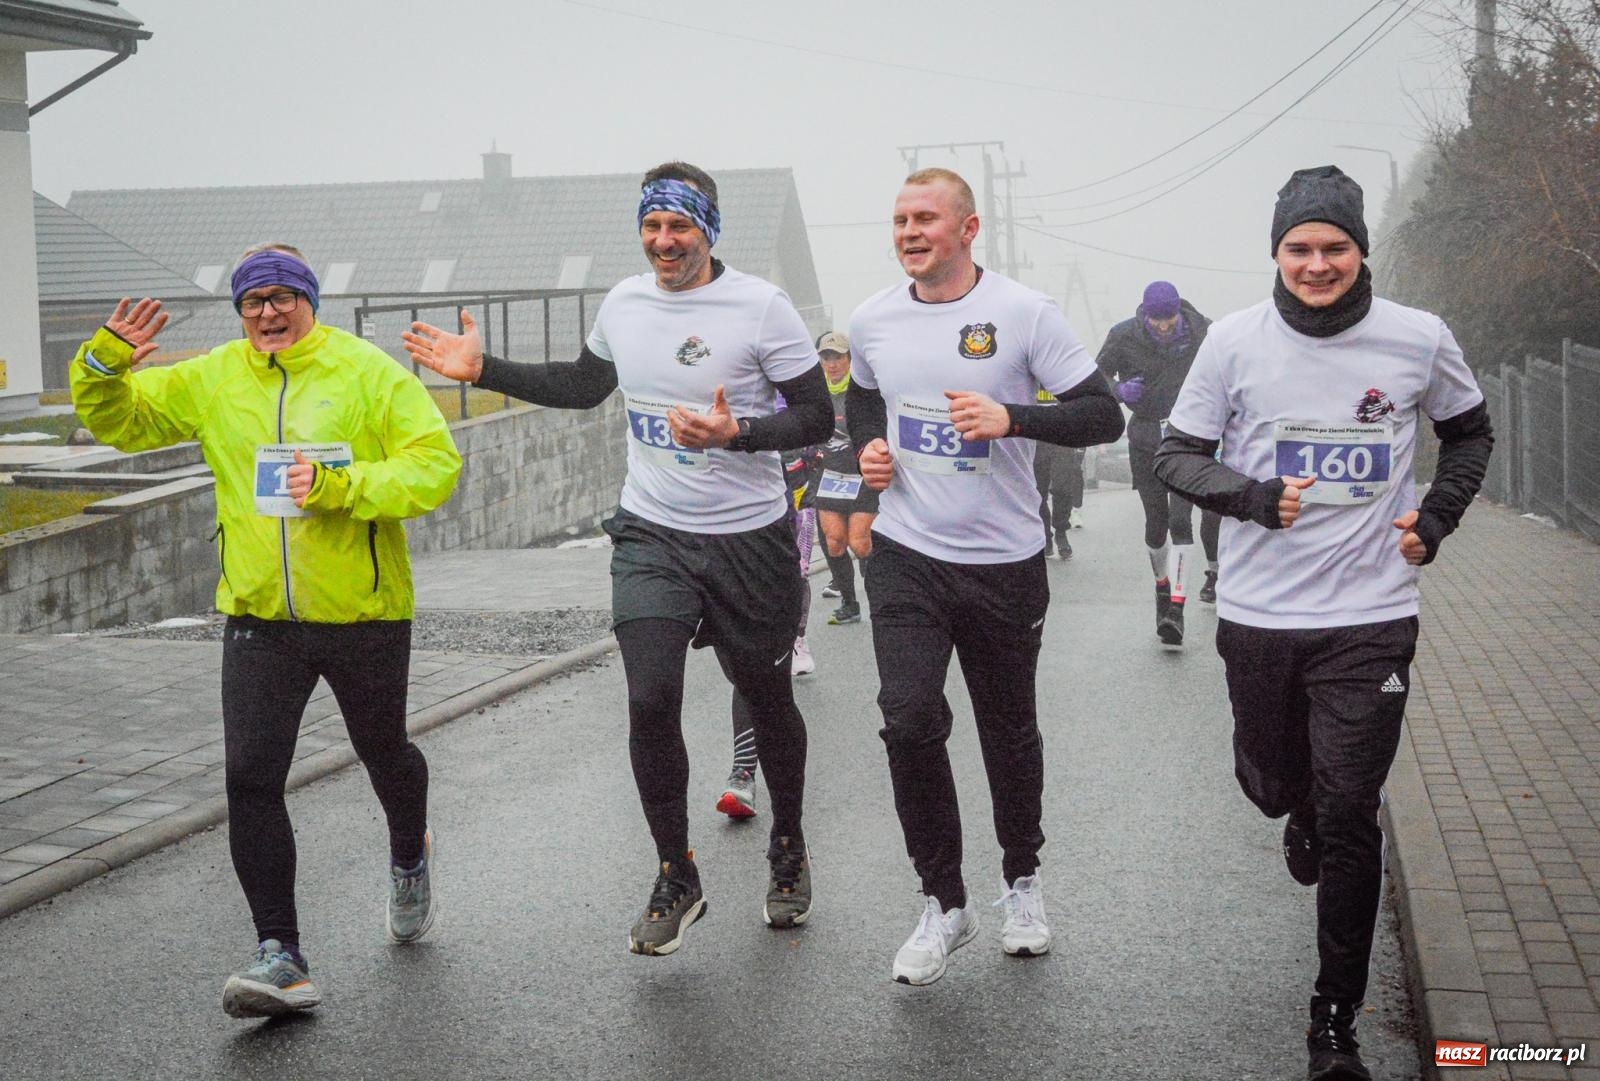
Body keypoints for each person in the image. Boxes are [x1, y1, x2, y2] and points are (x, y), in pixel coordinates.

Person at [402, 162, 832, 952]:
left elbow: (816, 415)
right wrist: (483, 369)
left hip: (750, 539)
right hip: (653, 534)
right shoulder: (625, 302)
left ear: (709, 230)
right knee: (649, 697)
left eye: (679, 227)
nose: (664, 242)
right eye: (651, 227)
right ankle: (677, 872)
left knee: (768, 699)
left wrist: (739, 432)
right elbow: (582, 384)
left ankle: (790, 844)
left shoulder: (761, 308)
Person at [1154, 165, 1493, 1081]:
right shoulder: (1231, 342)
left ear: (1360, 251)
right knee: (1273, 784)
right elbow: (1176, 457)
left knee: (1353, 812)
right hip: (1261, 615)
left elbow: (1470, 433)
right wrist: (1255, 496)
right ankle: (1294, 802)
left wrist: (1434, 521)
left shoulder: (1417, 338)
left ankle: (1334, 1018)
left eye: (1334, 247)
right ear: (1277, 252)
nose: (1316, 264)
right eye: (1299, 248)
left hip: (1371, 614)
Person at [69, 245, 462, 1019]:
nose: (268, 313)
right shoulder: (215, 376)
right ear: (240, 312)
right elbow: (120, 421)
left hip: (362, 612)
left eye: (283, 297)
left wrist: (344, 486)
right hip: (258, 616)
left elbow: (436, 465)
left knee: (384, 751)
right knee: (250, 776)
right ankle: (279, 952)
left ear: (310, 302)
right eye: (253, 302)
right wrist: (102, 362)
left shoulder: (367, 371)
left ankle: (409, 850)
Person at [847, 168, 1124, 985]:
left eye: (925, 218)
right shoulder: (873, 319)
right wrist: (866, 458)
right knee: (906, 716)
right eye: (899, 219)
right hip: (907, 553)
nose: (908, 231)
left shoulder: (1022, 313)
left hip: (1004, 561)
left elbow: (1103, 412)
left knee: (1008, 730)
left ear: (969, 229)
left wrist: (1015, 418)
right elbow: (864, 403)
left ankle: (1023, 882)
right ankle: (944, 900)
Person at [1095, 281, 1213, 645]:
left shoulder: (1206, 333)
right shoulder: (1123, 335)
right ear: (1144, 314)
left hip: (1188, 436)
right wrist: (1117, 391)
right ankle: (1162, 588)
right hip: (1145, 435)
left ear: (1179, 311)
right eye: (1155, 320)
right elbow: (1095, 375)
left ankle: (1176, 610)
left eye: (1169, 318)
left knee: (1181, 521)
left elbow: (1230, 375)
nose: (1163, 326)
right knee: (1155, 523)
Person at [717, 416, 822, 820]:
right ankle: (744, 774)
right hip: (721, 544)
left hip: (782, 532)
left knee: (755, 667)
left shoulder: (787, 400)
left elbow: (818, 433)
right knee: (741, 666)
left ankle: (747, 779)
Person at [811, 330, 878, 624]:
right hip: (829, 475)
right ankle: (850, 605)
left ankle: (880, 599)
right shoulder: (815, 392)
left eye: (838, 357)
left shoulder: (863, 390)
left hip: (861, 475)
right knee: (835, 541)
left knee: (861, 543)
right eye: (826, 357)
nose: (832, 363)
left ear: (850, 359)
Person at [1031, 388, 1085, 559]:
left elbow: (1079, 405)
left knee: (1063, 488)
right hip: (1035, 440)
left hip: (1062, 438)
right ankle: (1045, 535)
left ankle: (1061, 531)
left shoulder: (1061, 371)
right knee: (1037, 492)